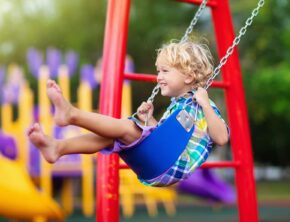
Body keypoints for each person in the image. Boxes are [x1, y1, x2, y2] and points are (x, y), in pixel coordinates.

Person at [27, 41, 229, 187]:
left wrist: (206, 104)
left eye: (165, 71)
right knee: (111, 138)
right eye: (158, 71)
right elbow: (166, 139)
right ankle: (58, 147)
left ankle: (71, 114)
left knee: (126, 126)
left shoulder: (202, 104)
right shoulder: (178, 105)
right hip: (159, 163)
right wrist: (149, 120)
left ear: (189, 76)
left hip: (170, 165)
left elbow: (221, 138)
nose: (158, 77)